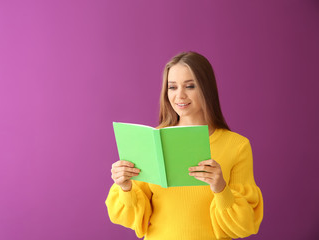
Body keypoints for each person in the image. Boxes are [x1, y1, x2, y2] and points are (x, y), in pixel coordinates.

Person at [105, 51, 263, 240]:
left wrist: (220, 188)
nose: (180, 95)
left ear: (206, 89)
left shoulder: (237, 145)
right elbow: (130, 217)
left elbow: (245, 225)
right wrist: (125, 187)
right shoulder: (152, 141)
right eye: (172, 87)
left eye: (190, 86)